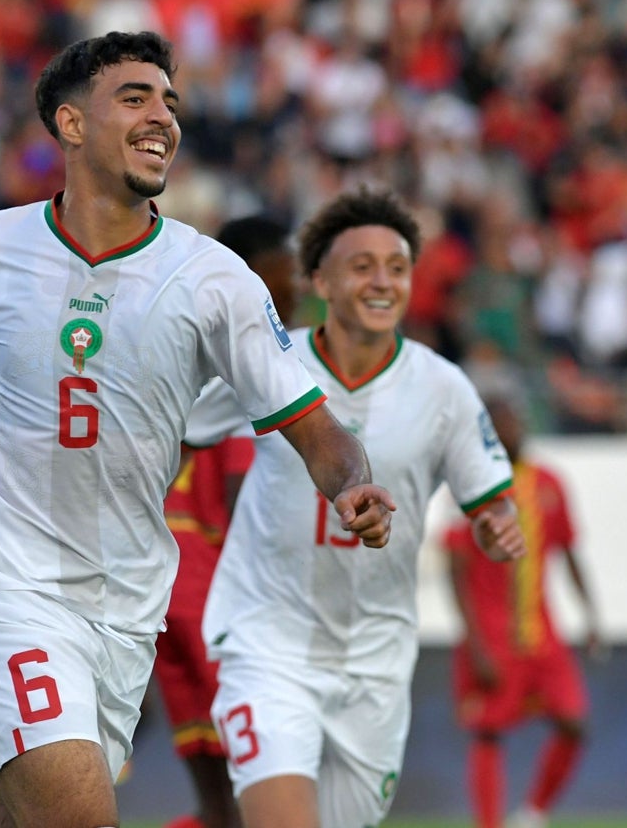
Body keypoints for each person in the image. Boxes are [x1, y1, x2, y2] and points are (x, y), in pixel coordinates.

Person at [0, 32, 395, 828]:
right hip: (4, 590)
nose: (163, 117)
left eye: (169, 102)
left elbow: (317, 428)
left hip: (126, 614)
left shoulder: (213, 279)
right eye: (135, 98)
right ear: (71, 124)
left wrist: (354, 484)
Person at [187, 186, 526, 828]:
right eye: (362, 265)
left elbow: (490, 500)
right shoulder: (269, 359)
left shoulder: (443, 387)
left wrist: (496, 527)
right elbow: (169, 427)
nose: (382, 281)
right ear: (320, 278)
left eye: (396, 267)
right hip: (267, 646)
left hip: (376, 662)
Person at [155, 216, 299, 828]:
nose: (297, 285)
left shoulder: (172, 342)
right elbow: (243, 490)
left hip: (158, 589)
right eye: (287, 270)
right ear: (256, 275)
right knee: (254, 794)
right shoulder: (248, 355)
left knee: (217, 803)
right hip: (215, 599)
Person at [443, 395, 605, 828]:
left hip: (543, 633)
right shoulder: (473, 484)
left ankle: (533, 813)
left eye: (514, 419)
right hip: (492, 635)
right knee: (488, 731)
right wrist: (474, 643)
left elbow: (569, 552)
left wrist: (590, 617)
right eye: (500, 423)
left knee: (573, 723)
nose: (510, 429)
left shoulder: (549, 482)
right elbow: (455, 570)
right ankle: (490, 823)